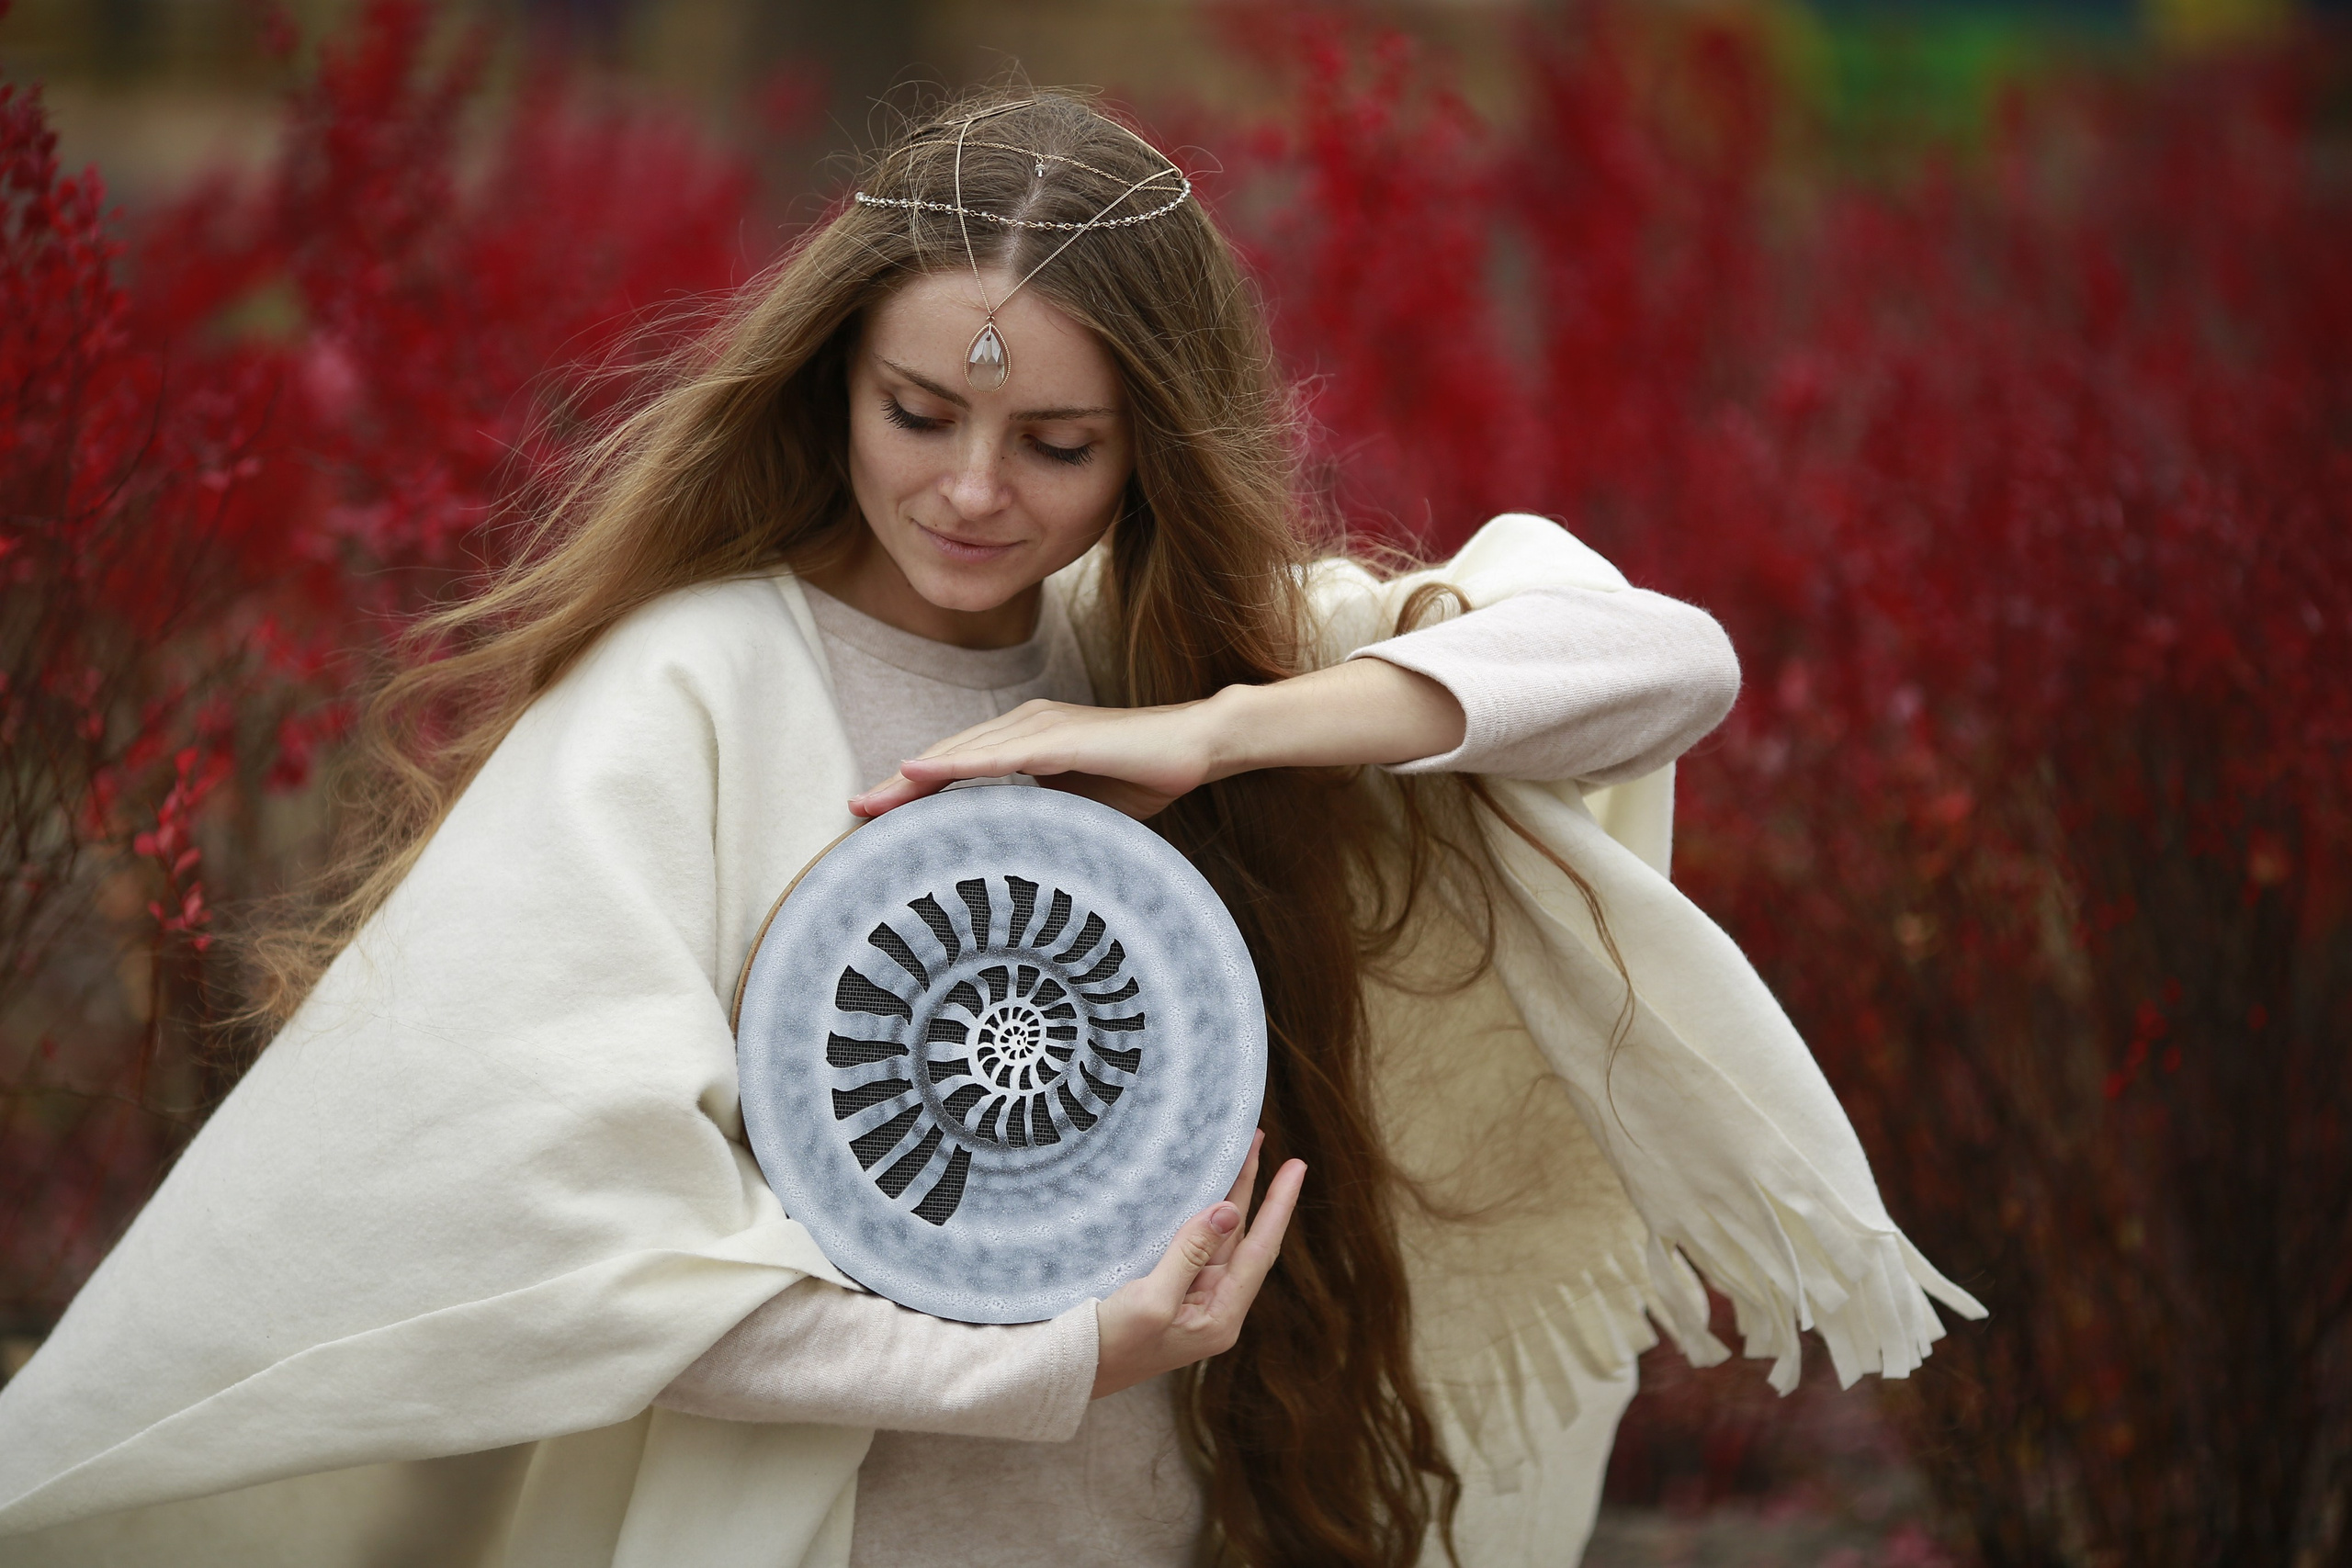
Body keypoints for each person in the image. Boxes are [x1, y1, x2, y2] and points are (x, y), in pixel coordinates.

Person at [0, 92, 1981, 1568]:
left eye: (1055, 444)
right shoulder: (694, 690)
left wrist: (1215, 728)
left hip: (1177, 1506)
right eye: (912, 415)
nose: (968, 493)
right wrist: (1042, 1359)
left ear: (1153, 443)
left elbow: (1661, 662)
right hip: (812, 1521)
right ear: (828, 387)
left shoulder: (1145, 652)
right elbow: (571, 1243)